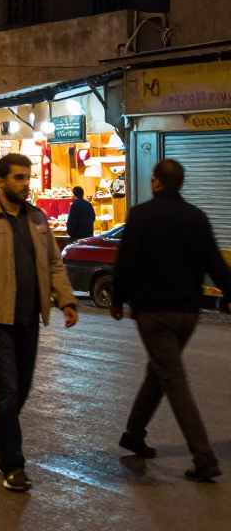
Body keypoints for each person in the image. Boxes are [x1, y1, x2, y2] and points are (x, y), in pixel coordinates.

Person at [0, 153, 78, 493]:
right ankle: (14, 464)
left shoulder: (36, 218)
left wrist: (66, 299)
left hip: (28, 318)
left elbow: (54, 264)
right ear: (1, 181)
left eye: (28, 177)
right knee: (7, 390)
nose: (26, 183)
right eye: (19, 178)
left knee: (21, 390)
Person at [111, 160, 231, 482]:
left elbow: (126, 262)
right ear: (181, 183)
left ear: (155, 182)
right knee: (160, 372)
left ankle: (204, 458)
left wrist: (118, 299)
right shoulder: (196, 217)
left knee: (172, 380)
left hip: (153, 313)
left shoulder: (140, 216)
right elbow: (215, 263)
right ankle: (134, 434)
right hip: (188, 313)